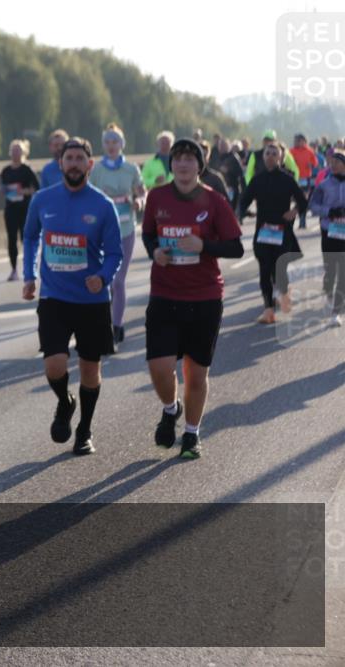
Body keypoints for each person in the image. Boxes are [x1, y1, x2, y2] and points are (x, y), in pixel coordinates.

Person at [142, 139, 244, 460]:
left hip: (204, 297)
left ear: (200, 166)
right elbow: (148, 234)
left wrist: (204, 247)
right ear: (171, 164)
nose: (183, 164)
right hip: (164, 293)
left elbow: (236, 247)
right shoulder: (157, 197)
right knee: (159, 368)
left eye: (190, 159)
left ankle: (191, 434)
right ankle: (170, 408)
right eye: (178, 159)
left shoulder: (214, 201)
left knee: (196, 375)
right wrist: (154, 251)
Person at [22, 137, 123, 455]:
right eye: (70, 158)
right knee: (54, 365)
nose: (75, 164)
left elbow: (115, 253)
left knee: (91, 369)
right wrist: (29, 275)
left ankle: (84, 431)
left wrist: (102, 277)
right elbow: (30, 236)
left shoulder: (103, 205)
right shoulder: (42, 200)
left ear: (90, 165)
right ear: (61, 163)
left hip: (92, 301)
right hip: (54, 297)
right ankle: (65, 402)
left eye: (80, 159)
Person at [240, 142, 308, 325]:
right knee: (264, 270)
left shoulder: (287, 179)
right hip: (262, 231)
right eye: (267, 153)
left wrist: (294, 211)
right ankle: (268, 310)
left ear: (281, 157)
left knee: (279, 269)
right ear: (263, 157)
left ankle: (283, 293)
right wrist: (241, 213)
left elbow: (302, 201)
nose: (270, 156)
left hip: (282, 231)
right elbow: (244, 200)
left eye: (274, 153)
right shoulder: (257, 179)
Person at [89, 123, 145, 343]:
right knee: (103, 280)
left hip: (126, 229)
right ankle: (102, 321)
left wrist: (139, 202)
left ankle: (117, 325)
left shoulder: (131, 169)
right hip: (101, 232)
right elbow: (88, 195)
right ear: (103, 145)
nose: (111, 146)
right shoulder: (96, 170)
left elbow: (141, 192)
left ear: (122, 144)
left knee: (118, 281)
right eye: (107, 142)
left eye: (115, 141)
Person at [306, 149, 345, 327]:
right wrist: (329, 211)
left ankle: (336, 312)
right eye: (332, 162)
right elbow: (312, 206)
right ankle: (329, 290)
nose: (333, 165)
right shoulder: (323, 185)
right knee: (330, 270)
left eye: (337, 162)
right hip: (328, 231)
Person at [0, 138, 40, 281]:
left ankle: (29, 268)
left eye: (18, 151)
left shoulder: (27, 170)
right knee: (11, 239)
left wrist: (24, 191)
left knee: (25, 239)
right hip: (10, 209)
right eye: (13, 151)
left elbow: (37, 188)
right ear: (10, 152)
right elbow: (4, 187)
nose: (15, 153)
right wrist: (5, 190)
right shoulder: (5, 171)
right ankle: (13, 270)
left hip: (25, 209)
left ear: (24, 153)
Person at [290, 134, 319, 229]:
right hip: (294, 179)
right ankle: (292, 218)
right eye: (295, 141)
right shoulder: (291, 151)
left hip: (306, 179)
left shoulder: (309, 151)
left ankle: (302, 221)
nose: (296, 143)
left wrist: (311, 164)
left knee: (303, 200)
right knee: (296, 200)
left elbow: (315, 163)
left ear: (304, 141)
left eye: (298, 141)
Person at [216, 137, 246, 219]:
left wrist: (228, 170)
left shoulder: (234, 157)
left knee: (230, 214)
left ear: (228, 146)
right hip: (219, 190)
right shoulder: (216, 157)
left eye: (224, 145)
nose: (222, 147)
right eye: (220, 145)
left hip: (232, 189)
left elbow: (241, 174)